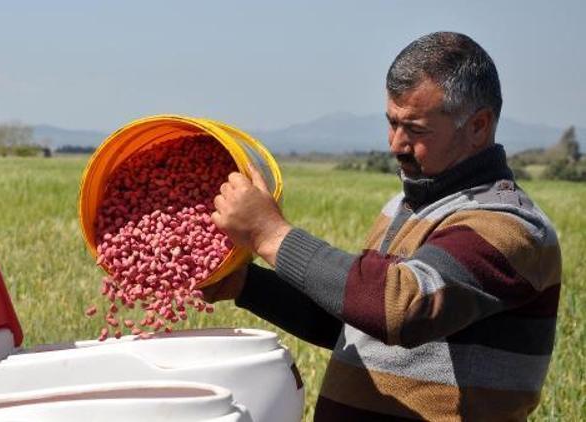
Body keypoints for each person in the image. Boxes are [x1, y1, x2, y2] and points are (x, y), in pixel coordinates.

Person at [206, 31, 562, 421]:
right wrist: (245, 284)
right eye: (391, 123)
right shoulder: (403, 207)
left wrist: (269, 234)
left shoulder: (509, 225)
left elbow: (401, 309)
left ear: (478, 126)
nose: (395, 144)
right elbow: (358, 327)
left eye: (416, 129)